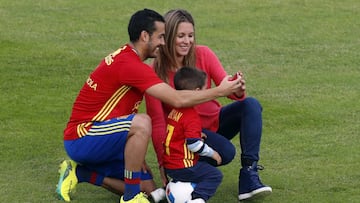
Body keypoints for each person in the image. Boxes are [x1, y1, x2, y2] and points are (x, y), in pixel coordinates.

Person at [56, 8, 242, 203]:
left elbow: (121, 111)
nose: (164, 42)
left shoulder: (130, 60)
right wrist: (221, 91)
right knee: (143, 122)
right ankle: (130, 198)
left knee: (148, 189)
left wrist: (135, 153)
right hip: (82, 136)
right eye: (161, 37)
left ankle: (80, 173)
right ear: (145, 36)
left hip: (102, 133)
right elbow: (177, 100)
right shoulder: (131, 65)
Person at [145, 9, 272, 201]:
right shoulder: (154, 71)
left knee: (250, 105)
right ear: (169, 36)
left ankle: (249, 175)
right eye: (181, 36)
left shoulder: (203, 53)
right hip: (187, 135)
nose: (186, 41)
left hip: (215, 122)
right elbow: (157, 122)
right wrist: (163, 162)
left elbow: (226, 87)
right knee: (226, 152)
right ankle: (184, 174)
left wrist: (237, 88)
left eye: (190, 36)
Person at [163, 67, 223, 203]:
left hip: (169, 164)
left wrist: (196, 133)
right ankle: (197, 199)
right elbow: (194, 144)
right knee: (214, 175)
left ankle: (160, 193)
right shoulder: (191, 116)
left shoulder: (175, 110)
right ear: (196, 93)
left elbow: (179, 132)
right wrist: (213, 153)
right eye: (204, 90)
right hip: (182, 166)